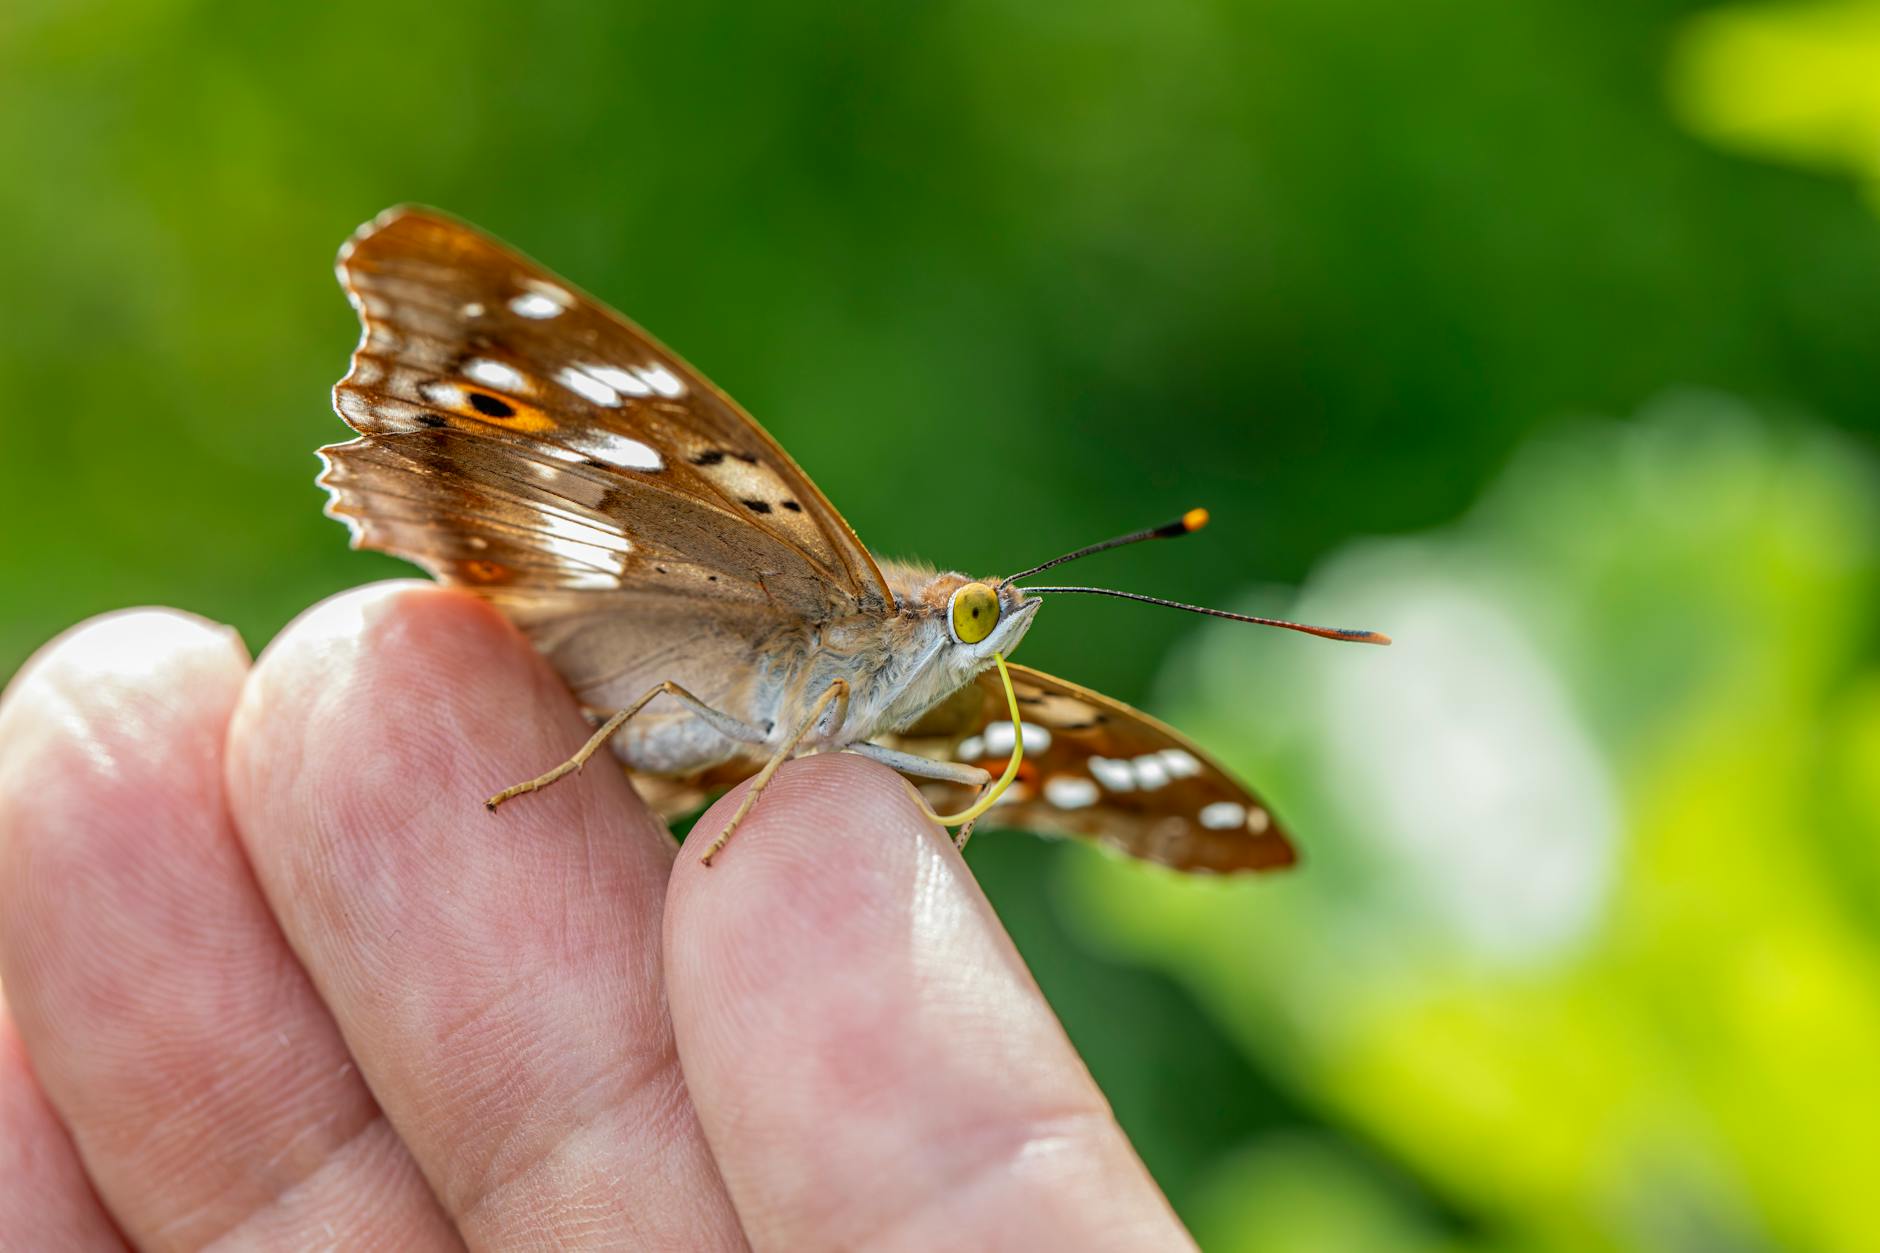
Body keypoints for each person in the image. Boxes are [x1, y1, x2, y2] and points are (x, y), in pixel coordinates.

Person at [0, 583, 1193, 1249]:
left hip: (709, 742)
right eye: (978, 619)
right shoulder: (857, 608)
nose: (992, 643)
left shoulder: (946, 689)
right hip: (634, 686)